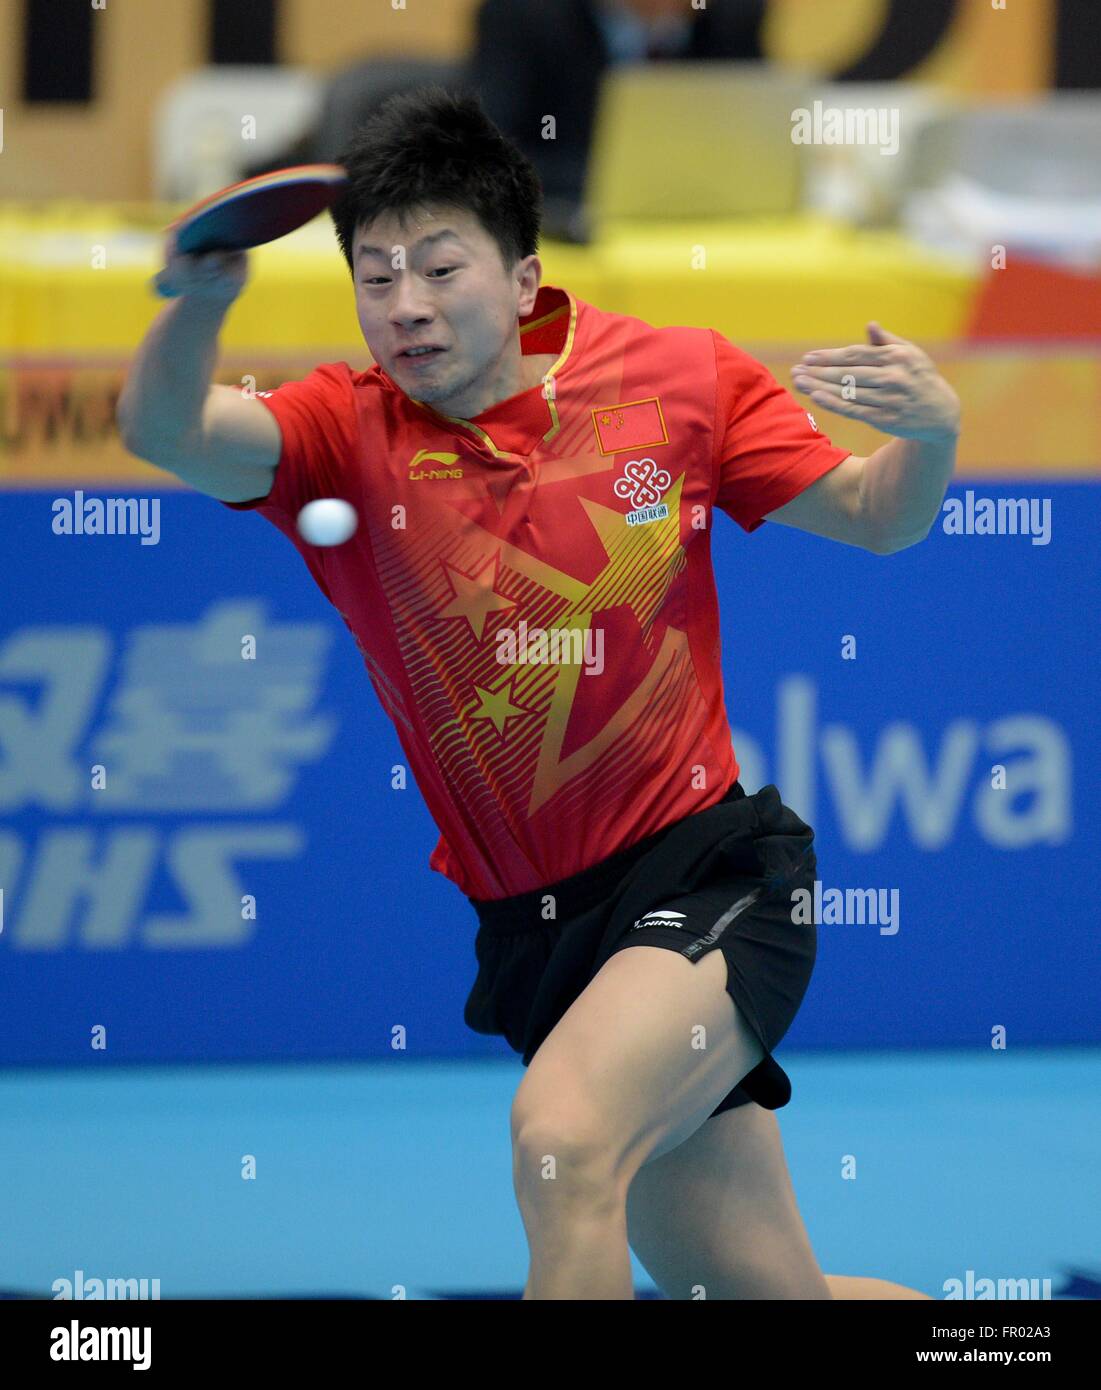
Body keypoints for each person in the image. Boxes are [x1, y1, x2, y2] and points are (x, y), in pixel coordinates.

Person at [118, 87, 958, 1300]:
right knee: (775, 1301)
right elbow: (166, 431)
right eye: (374, 276)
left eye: (439, 268)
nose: (404, 306)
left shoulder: (681, 382)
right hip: (538, 931)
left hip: (709, 878)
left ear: (521, 277)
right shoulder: (340, 432)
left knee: (563, 1148)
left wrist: (929, 439)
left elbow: (881, 518)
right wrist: (198, 306)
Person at [469, 0, 768, 239]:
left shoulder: (735, 14)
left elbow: (753, 137)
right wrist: (613, 183)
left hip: (699, 236)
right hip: (573, 232)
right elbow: (486, 156)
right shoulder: (522, 14)